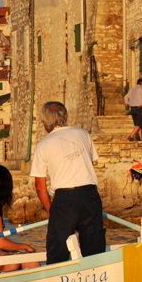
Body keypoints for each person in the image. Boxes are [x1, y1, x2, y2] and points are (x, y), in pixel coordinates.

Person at [30, 101, 106, 265]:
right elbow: (89, 164)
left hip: (65, 198)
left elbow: (40, 186)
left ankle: (57, 281)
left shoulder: (43, 145)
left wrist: (51, 210)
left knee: (58, 248)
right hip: (90, 195)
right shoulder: (83, 134)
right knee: (94, 248)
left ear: (45, 121)